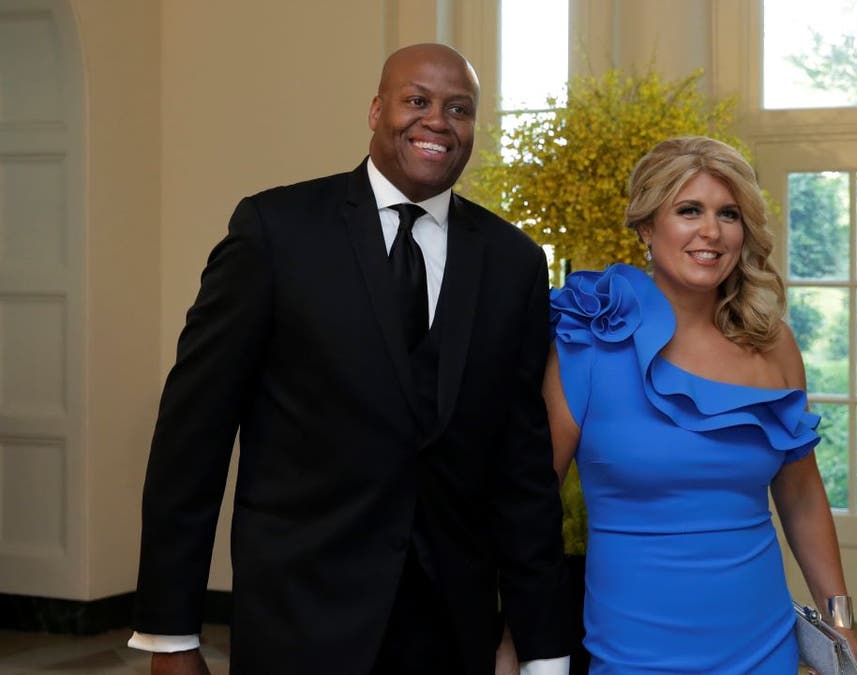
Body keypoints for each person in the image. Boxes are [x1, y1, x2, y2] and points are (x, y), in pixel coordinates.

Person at [128, 43, 572, 675]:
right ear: (375, 110)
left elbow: (523, 469)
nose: (437, 121)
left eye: (460, 108)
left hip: (451, 629)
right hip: (298, 618)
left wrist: (544, 646)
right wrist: (169, 634)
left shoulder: (514, 262)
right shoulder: (275, 232)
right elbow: (191, 436)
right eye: (417, 101)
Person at [541, 136, 857, 672]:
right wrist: (518, 631)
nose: (710, 231)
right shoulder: (586, 344)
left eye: (728, 213)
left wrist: (842, 621)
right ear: (646, 226)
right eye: (689, 210)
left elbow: (802, 495)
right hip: (633, 654)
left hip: (763, 648)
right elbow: (532, 505)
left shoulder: (772, 342)